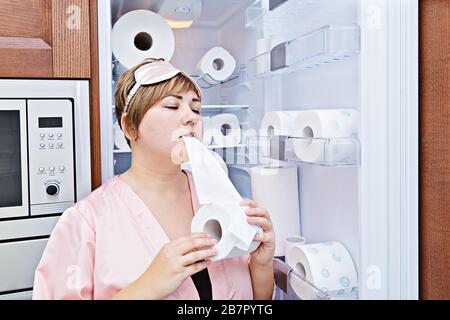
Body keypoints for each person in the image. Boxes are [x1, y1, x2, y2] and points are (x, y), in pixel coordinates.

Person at [32, 58, 275, 300]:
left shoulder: (218, 195)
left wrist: (261, 265)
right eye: (172, 106)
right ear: (129, 127)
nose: (191, 117)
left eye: (195, 108)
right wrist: (147, 287)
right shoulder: (85, 222)